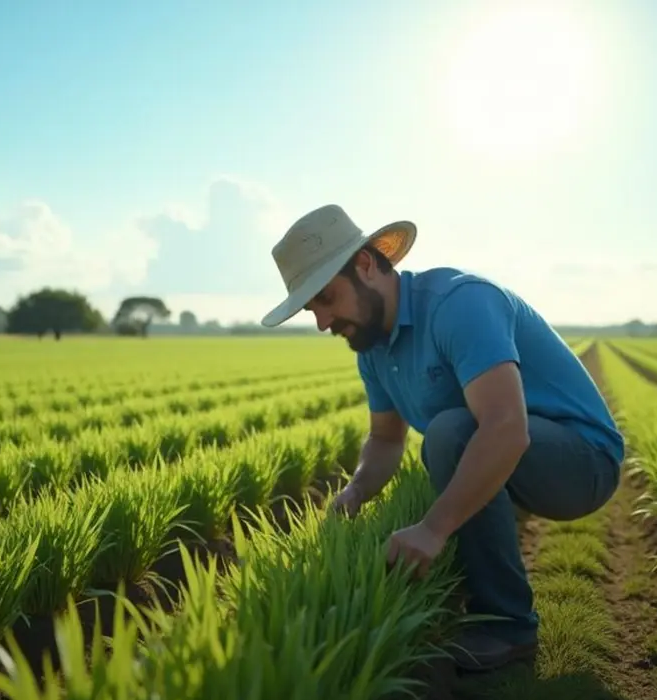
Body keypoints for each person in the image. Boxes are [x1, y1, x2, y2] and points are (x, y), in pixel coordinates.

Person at [261, 204, 624, 672]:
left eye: (327, 298)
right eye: (312, 309)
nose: (322, 322)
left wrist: (432, 529)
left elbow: (506, 428)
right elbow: (387, 441)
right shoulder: (372, 348)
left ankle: (510, 626)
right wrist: (355, 493)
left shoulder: (460, 304)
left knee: (449, 432)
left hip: (583, 463)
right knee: (447, 435)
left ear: (366, 266)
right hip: (518, 456)